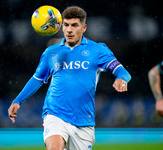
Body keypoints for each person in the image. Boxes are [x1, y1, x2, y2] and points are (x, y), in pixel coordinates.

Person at [8, 6, 131, 150]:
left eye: (74, 25)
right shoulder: (51, 52)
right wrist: (18, 100)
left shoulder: (97, 50)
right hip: (55, 114)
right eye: (66, 25)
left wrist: (121, 79)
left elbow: (123, 72)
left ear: (84, 28)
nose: (69, 30)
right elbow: (37, 78)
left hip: (84, 120)